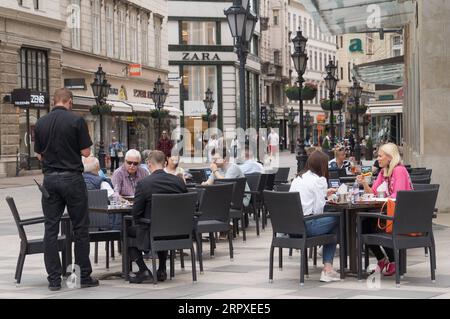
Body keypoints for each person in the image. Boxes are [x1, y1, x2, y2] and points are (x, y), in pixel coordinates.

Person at [34, 88, 98, 291]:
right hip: (72, 179)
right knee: (80, 228)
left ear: (54, 101)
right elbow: (86, 152)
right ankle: (82, 276)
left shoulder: (41, 122)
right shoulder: (76, 120)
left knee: (50, 229)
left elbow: (39, 156)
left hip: (50, 180)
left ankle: (54, 279)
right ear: (69, 101)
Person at [128, 150, 187, 283]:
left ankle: (143, 270)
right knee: (161, 227)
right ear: (165, 163)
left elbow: (135, 214)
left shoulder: (144, 184)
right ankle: (161, 269)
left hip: (153, 230)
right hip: (179, 231)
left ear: (149, 164)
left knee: (126, 232)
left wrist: (141, 219)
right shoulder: (179, 182)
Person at [356, 142, 413, 276]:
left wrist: (381, 199)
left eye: (380, 156)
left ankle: (393, 260)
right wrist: (364, 183)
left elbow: (397, 195)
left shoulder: (399, 170)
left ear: (390, 157)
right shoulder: (384, 171)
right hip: (389, 212)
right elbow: (373, 192)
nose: (378, 159)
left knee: (372, 224)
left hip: (402, 215)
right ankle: (382, 259)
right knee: (364, 223)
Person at [288, 150, 339, 282]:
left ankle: (327, 265)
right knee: (338, 219)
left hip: (291, 228)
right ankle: (328, 269)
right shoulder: (319, 180)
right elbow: (318, 211)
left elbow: (305, 197)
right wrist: (323, 195)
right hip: (307, 226)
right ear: (322, 166)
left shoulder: (298, 178)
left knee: (333, 221)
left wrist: (323, 193)